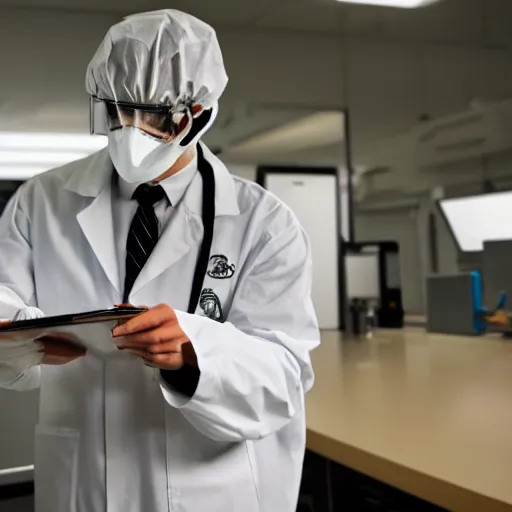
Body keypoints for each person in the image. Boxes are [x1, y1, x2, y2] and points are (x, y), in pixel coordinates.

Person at [0, 9, 320, 512]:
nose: (130, 132)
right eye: (116, 112)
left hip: (207, 488)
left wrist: (198, 354)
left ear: (198, 115)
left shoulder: (265, 223)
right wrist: (22, 336)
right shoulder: (40, 202)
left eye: (153, 117)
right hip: (83, 482)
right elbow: (2, 308)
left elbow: (282, 378)